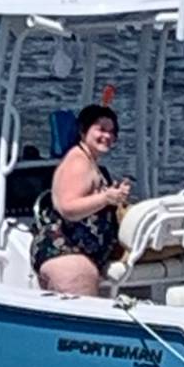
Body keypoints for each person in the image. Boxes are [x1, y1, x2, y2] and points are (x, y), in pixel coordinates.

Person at [30, 104, 131, 296]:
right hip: (67, 256)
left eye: (112, 132)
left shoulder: (89, 161)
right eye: (101, 129)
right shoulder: (78, 162)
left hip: (80, 254)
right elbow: (68, 207)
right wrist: (105, 198)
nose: (107, 136)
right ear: (83, 130)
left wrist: (111, 194)